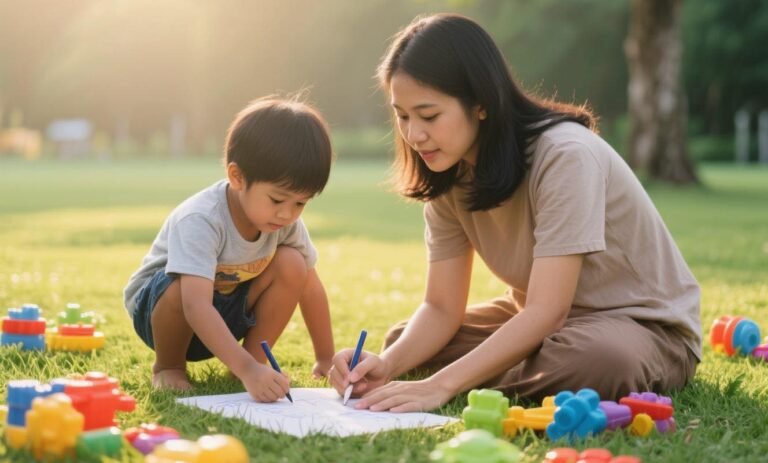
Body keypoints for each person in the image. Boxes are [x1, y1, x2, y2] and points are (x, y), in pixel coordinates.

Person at [329, 13, 700, 412]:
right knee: (401, 341)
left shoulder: (564, 156)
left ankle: (469, 379)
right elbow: (440, 308)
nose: (414, 135)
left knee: (600, 363)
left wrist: (439, 385)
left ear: (481, 104)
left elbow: (547, 311)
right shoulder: (446, 171)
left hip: (638, 326)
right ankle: (501, 373)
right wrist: (387, 365)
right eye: (402, 116)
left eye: (429, 115)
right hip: (546, 324)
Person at [124, 96, 335, 402]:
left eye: (300, 203)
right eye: (277, 200)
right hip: (163, 313)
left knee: (294, 264)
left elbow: (311, 288)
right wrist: (249, 369)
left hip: (224, 314)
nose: (287, 214)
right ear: (237, 177)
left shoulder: (283, 223)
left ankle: (245, 366)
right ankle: (168, 367)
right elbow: (195, 305)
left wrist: (326, 358)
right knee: (180, 281)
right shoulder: (202, 219)